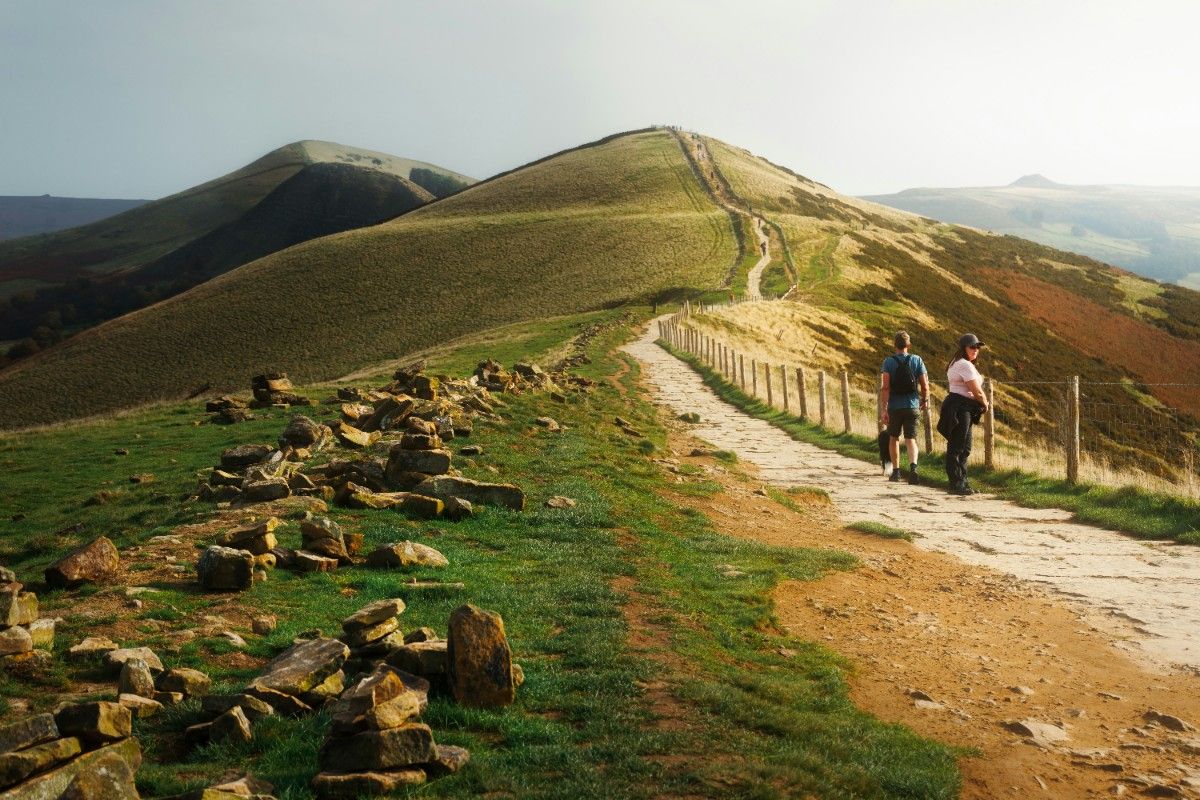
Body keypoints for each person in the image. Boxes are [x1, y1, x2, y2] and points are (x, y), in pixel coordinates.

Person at [938, 333, 989, 495]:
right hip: (960, 407)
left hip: (960, 406)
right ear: (963, 348)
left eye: (977, 347)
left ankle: (962, 481)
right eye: (972, 347)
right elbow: (976, 390)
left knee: (964, 447)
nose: (975, 350)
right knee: (958, 446)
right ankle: (956, 483)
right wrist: (985, 403)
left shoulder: (957, 363)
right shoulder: (964, 365)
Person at [879, 331, 929, 484]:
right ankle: (913, 469)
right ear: (909, 345)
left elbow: (885, 388)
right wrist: (924, 400)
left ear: (895, 345)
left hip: (895, 407)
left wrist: (884, 408)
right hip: (912, 405)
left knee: (893, 438)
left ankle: (896, 472)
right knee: (911, 439)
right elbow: (925, 386)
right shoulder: (917, 360)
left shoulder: (888, 362)